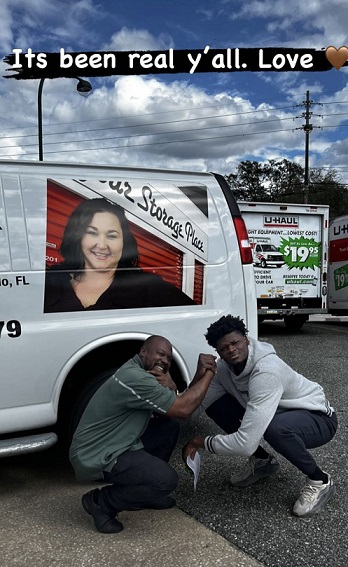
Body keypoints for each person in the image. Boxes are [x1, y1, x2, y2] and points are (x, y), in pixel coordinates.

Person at [183, 315, 338, 518]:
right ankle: (262, 462)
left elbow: (245, 443)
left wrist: (199, 441)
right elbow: (193, 408)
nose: (231, 350)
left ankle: (320, 480)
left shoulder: (266, 371)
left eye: (235, 342)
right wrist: (198, 376)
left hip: (317, 419)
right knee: (216, 406)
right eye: (224, 348)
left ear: (246, 339)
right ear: (217, 351)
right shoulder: (222, 370)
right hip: (275, 415)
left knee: (275, 429)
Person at [69, 335, 216, 534]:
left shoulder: (142, 372)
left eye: (169, 358)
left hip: (118, 441)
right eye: (160, 354)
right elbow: (184, 409)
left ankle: (146, 495)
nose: (164, 360)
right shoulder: (136, 378)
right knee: (167, 480)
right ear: (143, 352)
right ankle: (101, 502)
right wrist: (209, 374)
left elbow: (177, 406)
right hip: (97, 452)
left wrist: (186, 379)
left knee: (168, 425)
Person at [44, 198, 196, 312]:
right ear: (78, 237)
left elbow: (201, 320)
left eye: (112, 235)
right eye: (92, 233)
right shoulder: (48, 281)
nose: (102, 245)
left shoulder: (148, 288)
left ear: (124, 242)